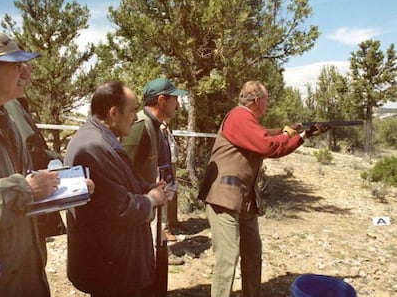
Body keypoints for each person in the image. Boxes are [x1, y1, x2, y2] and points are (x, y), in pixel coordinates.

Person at [198, 80, 327, 297]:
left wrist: (303, 135)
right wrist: (288, 133)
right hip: (224, 197)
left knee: (253, 254)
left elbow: (270, 144)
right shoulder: (239, 116)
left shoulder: (248, 121)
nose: (268, 103)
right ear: (257, 100)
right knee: (227, 258)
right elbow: (268, 145)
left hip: (244, 198)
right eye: (266, 98)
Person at [64, 81, 169, 297]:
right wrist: (151, 199)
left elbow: (122, 181)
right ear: (113, 113)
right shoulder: (94, 148)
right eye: (132, 111)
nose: (137, 117)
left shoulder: (102, 141)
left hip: (116, 266)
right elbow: (119, 208)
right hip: (112, 272)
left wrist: (148, 187)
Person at [0, 30, 61, 296]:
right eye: (16, 65)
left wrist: (66, 189)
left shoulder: (6, 120)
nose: (26, 74)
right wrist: (26, 190)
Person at [122, 77, 187, 264]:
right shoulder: (140, 126)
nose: (178, 104)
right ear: (161, 100)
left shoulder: (155, 126)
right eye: (174, 99)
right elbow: (124, 170)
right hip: (138, 210)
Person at [4, 64, 66, 246]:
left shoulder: (16, 103)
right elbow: (30, 149)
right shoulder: (11, 103)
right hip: (30, 197)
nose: (28, 67)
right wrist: (60, 158)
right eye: (18, 64)